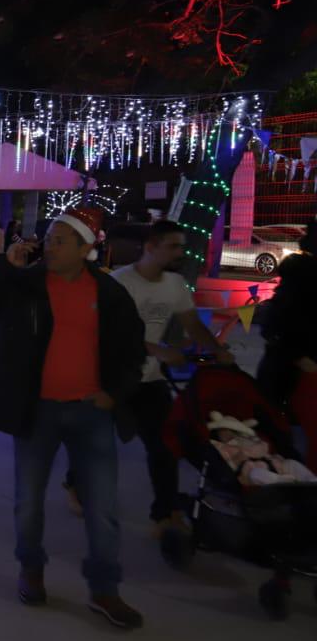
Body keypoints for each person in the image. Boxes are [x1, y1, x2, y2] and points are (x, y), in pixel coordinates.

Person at [0, 207, 147, 629]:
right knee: (28, 503)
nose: (51, 245)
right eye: (49, 237)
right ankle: (31, 568)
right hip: (36, 411)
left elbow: (132, 350)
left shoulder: (108, 292)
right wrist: (3, 269)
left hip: (90, 412)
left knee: (101, 508)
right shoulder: (24, 286)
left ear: (86, 248)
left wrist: (114, 394)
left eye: (62, 240)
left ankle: (105, 590)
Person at [63, 220, 233, 525]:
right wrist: (157, 349)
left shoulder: (175, 285)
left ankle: (164, 515)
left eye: (181, 246)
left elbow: (193, 325)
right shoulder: (118, 283)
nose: (180, 252)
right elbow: (107, 334)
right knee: (95, 443)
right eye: (173, 246)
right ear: (151, 247)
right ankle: (75, 483)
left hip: (150, 380)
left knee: (164, 445)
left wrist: (217, 350)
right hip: (111, 379)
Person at [257, 220, 317, 464]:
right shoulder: (304, 275)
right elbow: (284, 320)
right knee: (282, 424)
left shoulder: (299, 271)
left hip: (289, 358)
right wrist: (300, 357)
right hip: (293, 362)